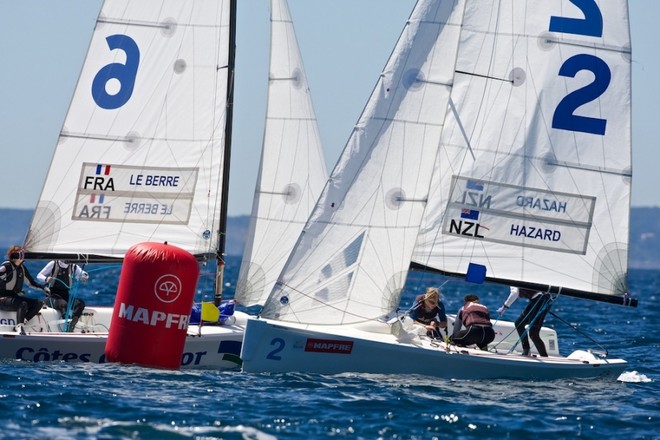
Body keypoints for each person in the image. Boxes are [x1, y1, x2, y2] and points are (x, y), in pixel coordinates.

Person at [0, 245, 46, 334]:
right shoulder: (6, 267)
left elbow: (31, 283)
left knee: (38, 303)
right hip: (2, 298)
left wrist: (44, 288)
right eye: (20, 254)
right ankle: (19, 326)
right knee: (22, 303)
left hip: (13, 297)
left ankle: (23, 321)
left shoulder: (22, 268)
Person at [497, 286, 552, 357]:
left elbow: (515, 293)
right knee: (519, 323)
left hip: (541, 300)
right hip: (538, 300)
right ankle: (526, 350)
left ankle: (544, 357)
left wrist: (505, 307)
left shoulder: (513, 279)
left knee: (533, 333)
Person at [37, 259, 88, 332]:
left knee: (80, 304)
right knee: (63, 304)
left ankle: (73, 321)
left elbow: (83, 273)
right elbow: (39, 275)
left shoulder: (73, 266)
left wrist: (84, 276)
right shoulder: (53, 264)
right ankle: (66, 324)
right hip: (52, 295)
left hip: (65, 294)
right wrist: (46, 279)